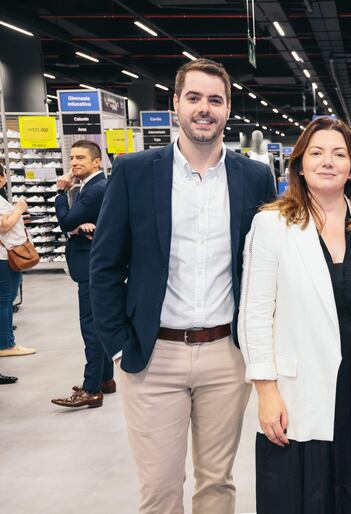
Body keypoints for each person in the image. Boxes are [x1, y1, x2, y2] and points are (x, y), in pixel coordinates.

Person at [90, 58, 275, 514]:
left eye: (215, 100)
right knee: (160, 489)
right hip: (154, 357)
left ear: (228, 109)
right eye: (194, 98)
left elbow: (268, 264)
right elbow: (105, 265)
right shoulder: (134, 171)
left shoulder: (254, 177)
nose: (204, 109)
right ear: (176, 104)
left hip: (225, 356)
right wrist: (117, 345)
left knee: (217, 484)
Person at [239, 116, 351, 513]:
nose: (328, 161)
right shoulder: (272, 224)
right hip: (298, 387)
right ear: (300, 164)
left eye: (339, 153)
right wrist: (266, 391)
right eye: (317, 153)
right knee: (305, 492)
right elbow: (254, 313)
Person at [51, 140, 113, 409]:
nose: (74, 162)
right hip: (91, 263)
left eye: (80, 158)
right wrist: (77, 226)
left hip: (90, 266)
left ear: (96, 162)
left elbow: (66, 220)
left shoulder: (94, 190)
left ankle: (91, 389)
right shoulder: (93, 187)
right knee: (97, 325)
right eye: (72, 157)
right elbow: (74, 223)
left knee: (91, 328)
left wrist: (59, 194)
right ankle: (105, 379)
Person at [0, 164, 35, 359]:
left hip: (8, 254)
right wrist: (19, 209)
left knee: (7, 299)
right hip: (4, 257)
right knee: (4, 301)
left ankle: (5, 341)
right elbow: (3, 225)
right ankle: (6, 345)